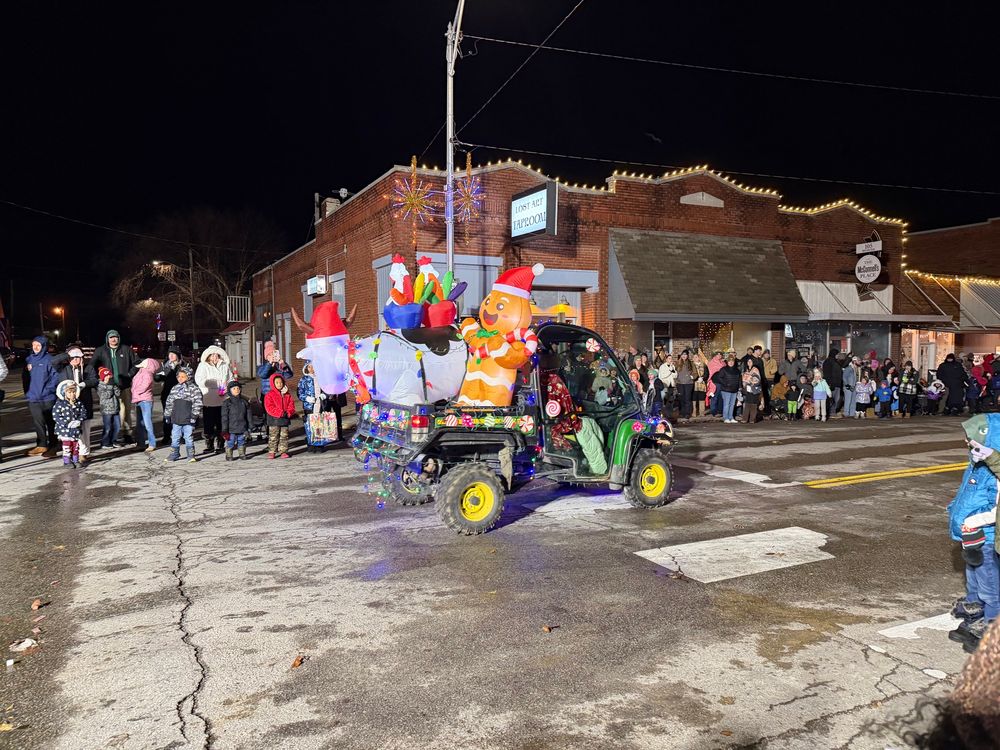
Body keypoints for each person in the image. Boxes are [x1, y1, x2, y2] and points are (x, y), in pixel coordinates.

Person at [947, 416, 999, 654]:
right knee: (974, 582)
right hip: (972, 538)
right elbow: (967, 495)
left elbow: (995, 508)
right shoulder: (976, 464)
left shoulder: (994, 474)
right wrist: (955, 509)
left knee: (990, 587)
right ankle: (974, 621)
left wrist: (971, 520)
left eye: (971, 438)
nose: (966, 442)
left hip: (986, 536)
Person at [91, 330, 138, 445]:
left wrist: (129, 375)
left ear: (119, 338)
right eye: (111, 337)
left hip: (124, 386)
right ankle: (112, 437)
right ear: (107, 339)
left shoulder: (126, 349)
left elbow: (137, 363)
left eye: (115, 337)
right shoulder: (101, 350)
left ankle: (127, 434)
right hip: (108, 388)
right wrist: (98, 379)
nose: (113, 339)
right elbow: (92, 365)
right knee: (111, 413)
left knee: (126, 411)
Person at [56, 345, 98, 461]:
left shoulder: (88, 368)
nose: (76, 359)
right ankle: (71, 453)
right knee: (70, 430)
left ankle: (83, 453)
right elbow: (53, 362)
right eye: (73, 357)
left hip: (84, 402)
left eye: (78, 357)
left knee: (84, 429)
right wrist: (67, 354)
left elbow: (94, 380)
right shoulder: (63, 369)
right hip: (68, 405)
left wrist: (84, 384)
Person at [24, 335, 60, 457]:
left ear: (44, 346)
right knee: (38, 422)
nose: (35, 347)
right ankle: (41, 444)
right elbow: (25, 378)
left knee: (51, 422)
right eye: (34, 345)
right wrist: (28, 392)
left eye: (38, 345)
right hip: (33, 397)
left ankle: (54, 444)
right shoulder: (29, 360)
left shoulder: (50, 359)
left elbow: (56, 377)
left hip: (47, 397)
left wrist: (49, 390)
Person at [195, 345, 233, 454]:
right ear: (208, 356)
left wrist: (228, 386)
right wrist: (216, 383)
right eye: (212, 355)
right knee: (209, 423)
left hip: (223, 399)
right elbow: (199, 380)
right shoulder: (203, 365)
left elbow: (230, 379)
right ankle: (210, 444)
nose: (215, 357)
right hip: (209, 400)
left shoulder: (224, 366)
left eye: (216, 355)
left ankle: (220, 444)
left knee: (221, 422)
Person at [164, 366, 202, 463]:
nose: (180, 378)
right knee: (175, 436)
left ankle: (190, 454)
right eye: (178, 376)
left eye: (183, 376)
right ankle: (174, 453)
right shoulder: (175, 388)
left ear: (189, 377)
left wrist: (194, 416)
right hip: (176, 418)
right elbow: (169, 402)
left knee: (188, 436)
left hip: (188, 418)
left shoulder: (194, 389)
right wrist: (167, 414)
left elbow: (197, 403)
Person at [298, 361, 337, 452]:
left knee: (319, 425)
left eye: (313, 366)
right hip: (309, 407)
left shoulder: (321, 378)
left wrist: (324, 395)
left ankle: (320, 444)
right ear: (306, 368)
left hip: (321, 405)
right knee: (310, 425)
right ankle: (311, 444)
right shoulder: (304, 379)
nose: (311, 369)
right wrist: (307, 398)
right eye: (309, 367)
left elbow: (328, 389)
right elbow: (299, 393)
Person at [52, 380, 86, 469]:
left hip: (75, 429)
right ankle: (67, 461)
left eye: (74, 392)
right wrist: (66, 423)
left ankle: (75, 460)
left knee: (75, 446)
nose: (72, 394)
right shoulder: (60, 404)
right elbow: (56, 416)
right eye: (69, 392)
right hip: (65, 430)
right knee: (67, 446)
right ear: (64, 393)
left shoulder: (78, 403)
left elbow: (83, 413)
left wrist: (79, 421)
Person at [129, 358, 160, 453]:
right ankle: (140, 443)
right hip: (138, 399)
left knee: (147, 423)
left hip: (145, 400)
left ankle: (152, 443)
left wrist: (135, 392)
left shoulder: (147, 373)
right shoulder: (141, 371)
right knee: (140, 423)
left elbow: (145, 386)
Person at [154, 345, 184, 440]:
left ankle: (180, 436)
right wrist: (159, 375)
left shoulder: (183, 365)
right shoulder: (165, 365)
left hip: (180, 395)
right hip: (167, 394)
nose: (171, 356)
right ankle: (167, 436)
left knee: (179, 416)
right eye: (169, 354)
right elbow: (157, 378)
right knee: (167, 416)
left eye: (173, 354)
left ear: (178, 355)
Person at [264, 373, 295, 458]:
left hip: (285, 419)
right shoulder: (269, 395)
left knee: (284, 436)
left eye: (281, 382)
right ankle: (272, 451)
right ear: (273, 384)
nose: (279, 384)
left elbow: (291, 405)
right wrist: (280, 413)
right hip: (274, 419)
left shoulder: (287, 394)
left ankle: (283, 451)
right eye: (277, 382)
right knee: (273, 436)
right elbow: (269, 407)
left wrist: (289, 412)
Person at [220, 380, 251, 461]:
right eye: (234, 389)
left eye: (238, 388)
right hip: (231, 428)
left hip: (242, 427)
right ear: (230, 390)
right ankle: (229, 455)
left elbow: (248, 415)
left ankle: (242, 454)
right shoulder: (227, 403)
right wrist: (224, 429)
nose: (236, 390)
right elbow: (224, 417)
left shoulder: (244, 402)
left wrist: (250, 425)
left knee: (242, 441)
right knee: (230, 442)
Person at [711, 354, 741, 424]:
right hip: (726, 390)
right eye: (729, 361)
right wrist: (726, 384)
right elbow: (720, 378)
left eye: (732, 361)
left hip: (734, 390)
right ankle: (726, 417)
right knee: (726, 404)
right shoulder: (723, 369)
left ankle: (731, 417)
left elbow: (739, 379)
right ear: (727, 362)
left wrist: (739, 387)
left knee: (732, 404)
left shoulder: (737, 370)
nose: (731, 362)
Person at [97, 367, 121, 448]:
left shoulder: (112, 385)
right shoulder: (100, 386)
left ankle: (114, 440)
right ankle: (105, 442)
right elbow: (106, 395)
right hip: (106, 410)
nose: (108, 378)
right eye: (106, 376)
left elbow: (118, 394)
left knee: (117, 426)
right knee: (108, 427)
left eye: (109, 376)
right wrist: (111, 387)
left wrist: (115, 387)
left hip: (115, 408)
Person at [822, 349, 844, 418]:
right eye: (837, 354)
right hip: (832, 383)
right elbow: (827, 374)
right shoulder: (829, 362)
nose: (838, 356)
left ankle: (832, 412)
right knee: (832, 399)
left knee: (836, 399)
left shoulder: (834, 361)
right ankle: (831, 412)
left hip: (836, 383)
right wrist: (829, 383)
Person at [675, 349, 695, 421]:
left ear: (687, 355)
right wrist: (676, 380)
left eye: (685, 354)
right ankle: (682, 412)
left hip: (688, 383)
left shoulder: (691, 363)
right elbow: (674, 372)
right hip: (680, 383)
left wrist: (692, 377)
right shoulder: (677, 363)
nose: (684, 356)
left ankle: (687, 413)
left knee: (687, 398)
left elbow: (695, 372)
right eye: (682, 354)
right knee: (681, 398)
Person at [656, 354, 677, 419]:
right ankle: (664, 414)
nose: (670, 360)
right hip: (665, 385)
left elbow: (675, 375)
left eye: (671, 358)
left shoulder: (672, 366)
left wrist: (672, 370)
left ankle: (669, 415)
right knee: (665, 400)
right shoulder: (662, 367)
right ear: (666, 359)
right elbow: (662, 376)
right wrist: (670, 371)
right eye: (669, 358)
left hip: (671, 385)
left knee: (671, 400)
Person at [692, 354, 708, 418]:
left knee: (702, 398)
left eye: (696, 357)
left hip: (702, 384)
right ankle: (694, 412)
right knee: (694, 398)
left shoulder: (704, 365)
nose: (694, 358)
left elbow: (707, 374)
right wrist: (696, 378)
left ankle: (702, 412)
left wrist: (703, 378)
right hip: (694, 384)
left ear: (699, 358)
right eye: (693, 357)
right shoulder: (691, 365)